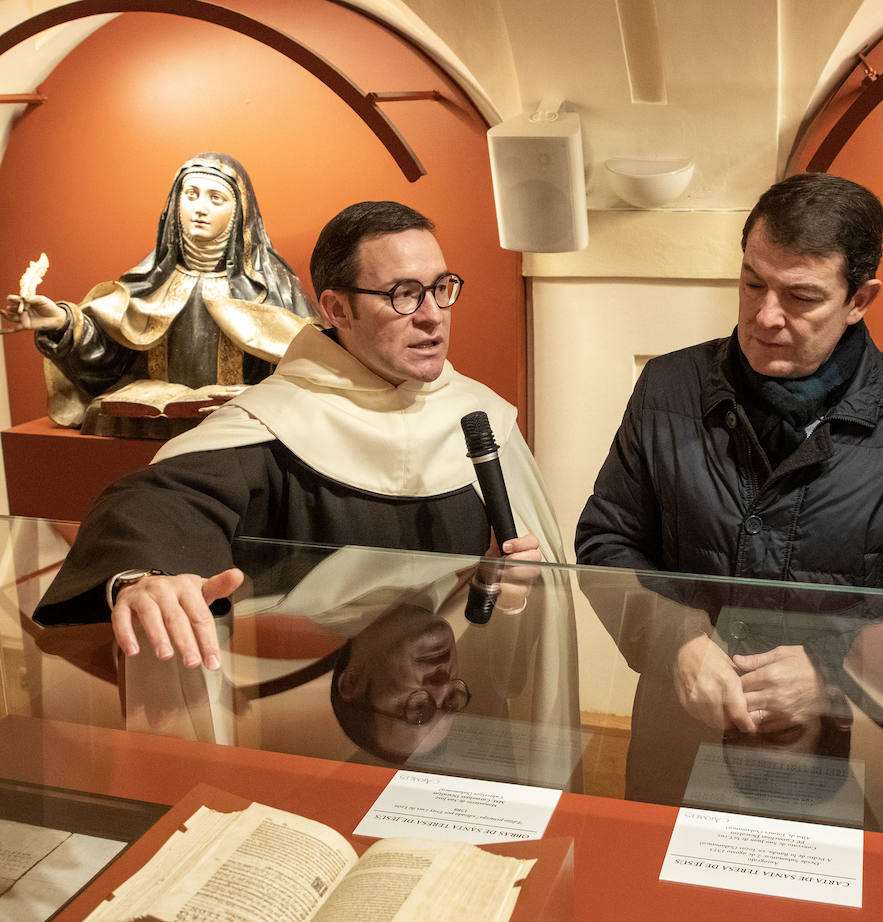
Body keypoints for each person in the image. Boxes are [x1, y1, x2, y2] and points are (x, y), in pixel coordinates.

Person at [575, 172, 883, 800]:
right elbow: (606, 541)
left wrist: (837, 671)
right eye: (753, 282)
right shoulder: (669, 388)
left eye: (801, 297)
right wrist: (678, 639)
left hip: (853, 751)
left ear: (860, 299)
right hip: (685, 733)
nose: (765, 316)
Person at [32, 200, 562, 673]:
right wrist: (145, 576)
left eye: (441, 289)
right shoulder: (275, 422)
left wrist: (512, 587)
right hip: (298, 701)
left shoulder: (479, 415)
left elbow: (527, 590)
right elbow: (157, 503)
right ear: (335, 310)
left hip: (453, 684)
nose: (432, 317)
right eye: (404, 294)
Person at [1, 152, 314, 435]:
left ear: (239, 211)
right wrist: (61, 323)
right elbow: (106, 359)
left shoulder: (274, 288)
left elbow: (311, 367)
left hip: (237, 425)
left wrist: (259, 393)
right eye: (190, 195)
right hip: (145, 425)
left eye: (216, 198)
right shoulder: (148, 282)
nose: (200, 208)